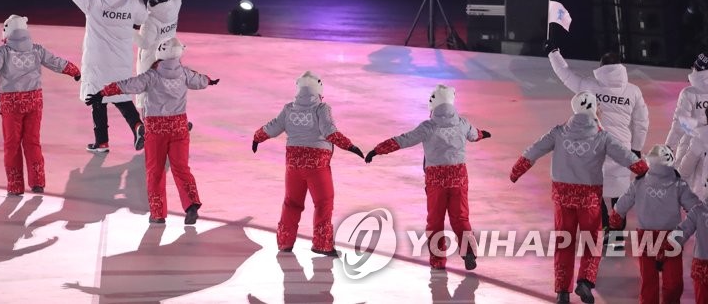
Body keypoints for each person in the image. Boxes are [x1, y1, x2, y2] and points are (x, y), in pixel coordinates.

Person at [509, 92, 648, 304]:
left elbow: (534, 150)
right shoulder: (603, 137)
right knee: (593, 240)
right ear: (594, 110)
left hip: (563, 196)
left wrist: (517, 170)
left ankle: (562, 291)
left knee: (564, 242)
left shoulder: (558, 132)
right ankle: (585, 281)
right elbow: (625, 155)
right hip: (589, 197)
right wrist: (643, 169)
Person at [85, 38, 217, 224]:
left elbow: (129, 84)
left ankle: (158, 213)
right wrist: (210, 81)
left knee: (155, 171)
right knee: (181, 169)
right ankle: (191, 204)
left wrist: (103, 93)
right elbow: (201, 81)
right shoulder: (185, 74)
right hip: (179, 127)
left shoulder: (152, 76)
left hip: (156, 129)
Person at [364, 84, 491, 271]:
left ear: (433, 106)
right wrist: (483, 134)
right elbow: (474, 135)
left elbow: (404, 139)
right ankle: (469, 251)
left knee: (435, 220)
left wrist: (378, 150)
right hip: (459, 177)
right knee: (461, 217)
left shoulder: (428, 127)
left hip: (436, 181)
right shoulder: (462, 124)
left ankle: (438, 261)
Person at [0, 15, 81, 195]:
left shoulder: (2, 52)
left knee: (12, 144)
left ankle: (16, 185)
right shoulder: (37, 50)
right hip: (34, 101)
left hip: (11, 104)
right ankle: (38, 182)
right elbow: (56, 62)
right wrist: (74, 71)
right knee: (33, 142)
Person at [252, 72, 365, 257]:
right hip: (317, 164)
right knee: (323, 202)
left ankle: (285, 242)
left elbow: (272, 127)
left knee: (291, 203)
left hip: (293, 164)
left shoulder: (289, 109)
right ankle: (322, 244)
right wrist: (350, 146)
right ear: (319, 90)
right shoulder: (321, 108)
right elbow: (330, 132)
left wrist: (257, 137)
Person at [544, 40, 649, 233]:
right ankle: (617, 234)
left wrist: (553, 53)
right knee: (621, 194)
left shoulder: (589, 86)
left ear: (601, 67)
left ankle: (604, 226)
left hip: (595, 147)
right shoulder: (633, 91)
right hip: (622, 148)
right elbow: (641, 122)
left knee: (594, 190)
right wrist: (636, 147)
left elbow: (566, 74)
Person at [62, 0, 148, 152]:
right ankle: (137, 126)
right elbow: (142, 18)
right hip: (121, 61)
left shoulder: (93, 2)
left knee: (98, 99)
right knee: (121, 97)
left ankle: (101, 142)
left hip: (97, 62)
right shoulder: (130, 3)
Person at [608, 144, 699, 304]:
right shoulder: (679, 184)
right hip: (672, 238)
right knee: (673, 284)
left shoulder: (639, 183)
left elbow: (622, 204)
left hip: (646, 237)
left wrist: (615, 220)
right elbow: (696, 209)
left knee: (648, 284)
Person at [134, 0, 183, 121]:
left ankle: (147, 129)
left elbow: (145, 43)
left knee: (147, 92)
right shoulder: (174, 6)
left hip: (151, 59)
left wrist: (129, 29)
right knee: (168, 90)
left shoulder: (150, 20)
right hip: (170, 55)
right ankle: (173, 122)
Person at [676, 193, 708, 303]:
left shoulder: (698, 211)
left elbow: (682, 232)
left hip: (701, 268)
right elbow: (682, 232)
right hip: (702, 269)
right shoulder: (698, 211)